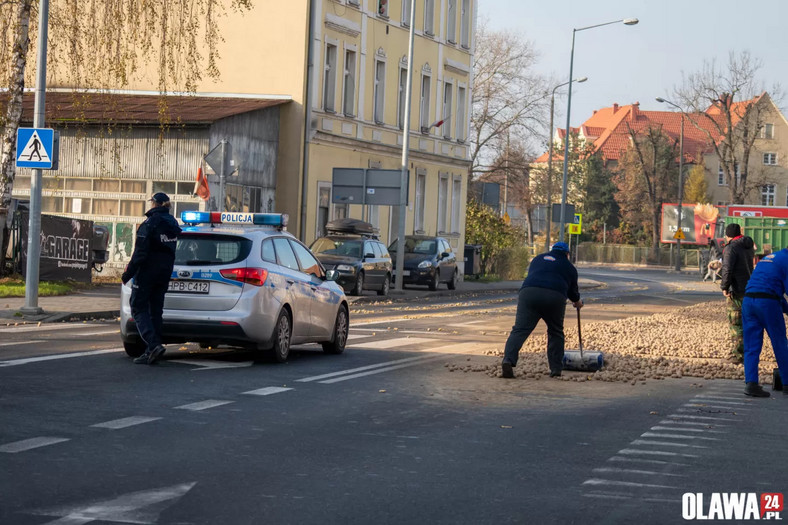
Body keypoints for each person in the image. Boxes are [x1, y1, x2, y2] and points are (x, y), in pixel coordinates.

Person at [501, 242, 583, 379]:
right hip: (554, 297)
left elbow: (536, 276)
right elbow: (573, 293)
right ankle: (556, 369)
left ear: (552, 250)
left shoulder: (538, 259)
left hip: (529, 294)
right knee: (555, 332)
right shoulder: (569, 267)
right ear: (567, 254)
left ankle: (508, 360)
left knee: (520, 330)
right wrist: (578, 303)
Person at [121, 192, 182, 365]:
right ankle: (151, 351)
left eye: (152, 202)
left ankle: (153, 345)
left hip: (148, 271)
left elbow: (140, 253)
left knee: (138, 307)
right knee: (156, 310)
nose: (151, 205)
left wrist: (128, 274)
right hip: (165, 271)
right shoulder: (172, 224)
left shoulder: (150, 223)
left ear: (156, 204)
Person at [741, 248, 788, 397]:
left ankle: (751, 384)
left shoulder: (771, 257)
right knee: (780, 343)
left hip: (748, 301)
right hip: (767, 304)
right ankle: (787, 383)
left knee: (751, 345)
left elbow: (769, 287)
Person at [719, 223, 755, 364]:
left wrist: (725, 287)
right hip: (749, 288)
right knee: (747, 322)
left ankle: (739, 355)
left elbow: (727, 269)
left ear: (728, 236)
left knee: (736, 323)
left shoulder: (731, 247)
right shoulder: (748, 245)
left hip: (737, 290)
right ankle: (747, 351)